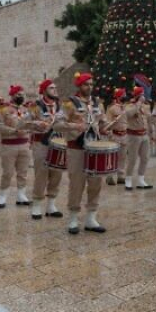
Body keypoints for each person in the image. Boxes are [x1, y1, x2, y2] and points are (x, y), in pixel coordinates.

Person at [53, 72, 107, 234]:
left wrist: (107, 127)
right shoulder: (69, 104)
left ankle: (91, 218)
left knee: (96, 183)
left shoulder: (98, 103)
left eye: (91, 84)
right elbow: (57, 124)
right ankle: (73, 218)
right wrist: (74, 127)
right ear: (79, 85)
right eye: (86, 84)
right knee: (77, 184)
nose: (89, 87)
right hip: (76, 148)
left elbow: (102, 123)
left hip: (95, 149)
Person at [29, 79, 64, 219]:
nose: (55, 90)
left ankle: (51, 205)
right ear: (44, 90)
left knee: (56, 174)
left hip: (58, 143)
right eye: (51, 88)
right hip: (41, 143)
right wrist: (38, 124)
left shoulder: (60, 106)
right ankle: (37, 205)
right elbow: (25, 122)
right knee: (41, 174)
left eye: (55, 87)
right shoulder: (35, 106)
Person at [0, 85, 33, 208]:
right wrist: (14, 131)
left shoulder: (26, 110)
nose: (21, 96)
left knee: (23, 172)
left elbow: (30, 124)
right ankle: (3, 196)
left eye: (22, 94)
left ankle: (21, 195)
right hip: (9, 146)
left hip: (24, 145)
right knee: (7, 172)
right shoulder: (3, 110)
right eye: (18, 94)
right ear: (12, 95)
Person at [125, 86, 153, 190]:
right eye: (142, 95)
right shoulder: (130, 106)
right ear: (137, 96)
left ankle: (141, 179)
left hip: (144, 135)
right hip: (133, 136)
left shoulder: (146, 107)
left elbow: (149, 119)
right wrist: (138, 103)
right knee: (132, 158)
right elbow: (128, 114)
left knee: (145, 157)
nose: (144, 96)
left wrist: (151, 132)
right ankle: (128, 179)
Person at [105, 88, 128, 186]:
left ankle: (121, 176)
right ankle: (109, 176)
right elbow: (107, 123)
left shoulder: (126, 108)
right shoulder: (112, 108)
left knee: (122, 157)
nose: (125, 96)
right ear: (119, 96)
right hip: (115, 134)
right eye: (123, 94)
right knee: (112, 156)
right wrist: (110, 135)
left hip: (124, 135)